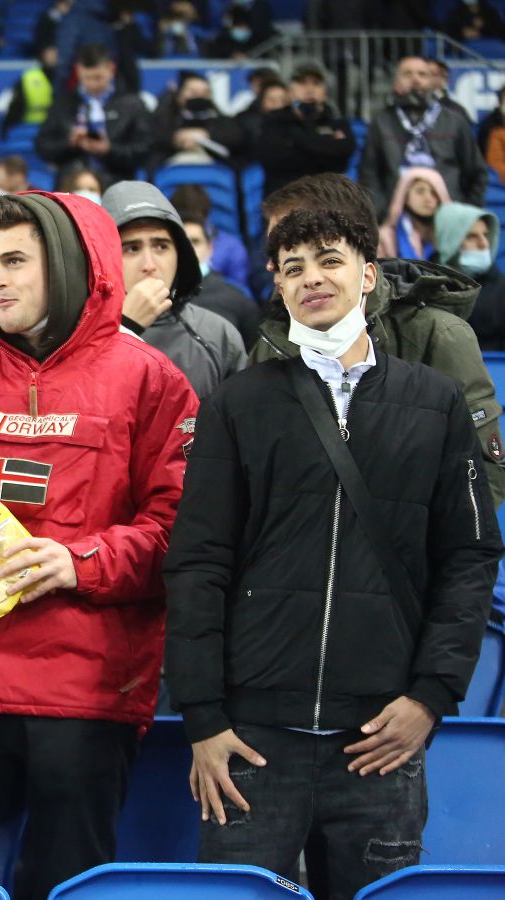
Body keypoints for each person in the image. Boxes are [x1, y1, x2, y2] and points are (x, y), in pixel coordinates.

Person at [164, 205, 501, 900]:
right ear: (278, 288)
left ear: (367, 274)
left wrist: (431, 697)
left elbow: (469, 558)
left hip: (381, 738)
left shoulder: (434, 404)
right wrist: (203, 718)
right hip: (252, 742)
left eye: (329, 259)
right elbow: (198, 562)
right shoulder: (237, 404)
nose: (312, 277)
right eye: (293, 268)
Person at [0, 190, 198, 900]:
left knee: (64, 889)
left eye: (16, 261)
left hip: (83, 694)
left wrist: (76, 562)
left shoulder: (151, 379)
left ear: (71, 265)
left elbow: (180, 533)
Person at [253, 173, 505, 508]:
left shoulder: (437, 335)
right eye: (276, 247)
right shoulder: (271, 341)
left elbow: (482, 476)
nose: (274, 260)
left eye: (297, 239)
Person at [105, 181, 246, 398]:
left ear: (180, 255)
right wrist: (126, 328)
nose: (149, 264)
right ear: (105, 258)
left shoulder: (218, 335)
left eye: (161, 246)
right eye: (132, 248)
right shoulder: (74, 338)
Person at [359, 56, 486, 219]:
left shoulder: (455, 121)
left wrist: (465, 215)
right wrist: (382, 213)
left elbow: (476, 173)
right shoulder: (381, 123)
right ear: (396, 83)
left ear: (432, 82)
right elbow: (369, 175)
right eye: (407, 74)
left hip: (448, 217)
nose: (415, 79)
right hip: (397, 219)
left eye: (422, 74)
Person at [35, 43, 151, 186]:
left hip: (118, 184)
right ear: (78, 71)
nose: (93, 84)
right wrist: (69, 143)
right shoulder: (62, 104)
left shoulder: (132, 104)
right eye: (87, 78)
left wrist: (110, 149)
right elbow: (43, 146)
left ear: (111, 69)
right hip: (71, 184)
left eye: (98, 77)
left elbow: (146, 149)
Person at [257, 62, 355, 198]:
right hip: (285, 199)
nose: (309, 89)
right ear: (290, 91)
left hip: (326, 199)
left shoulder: (337, 123)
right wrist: (326, 144)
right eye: (302, 83)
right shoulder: (274, 120)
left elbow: (343, 157)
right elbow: (277, 160)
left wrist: (297, 140)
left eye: (316, 83)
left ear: (325, 92)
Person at [182, 212, 260, 349]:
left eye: (195, 241)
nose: (188, 249)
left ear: (210, 248)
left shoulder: (238, 300)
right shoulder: (153, 297)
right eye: (181, 242)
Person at [436, 202, 505, 352]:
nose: (484, 243)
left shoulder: (501, 288)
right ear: (450, 241)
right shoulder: (425, 285)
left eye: (486, 235)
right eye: (471, 236)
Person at [151, 71, 247, 169]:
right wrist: (177, 138)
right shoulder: (167, 118)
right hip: (170, 169)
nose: (199, 96)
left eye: (205, 93)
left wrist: (206, 134)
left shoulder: (221, 120)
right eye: (193, 92)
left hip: (214, 170)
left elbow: (237, 138)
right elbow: (152, 137)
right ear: (179, 95)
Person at [376, 167, 451, 261]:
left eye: (434, 193)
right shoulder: (385, 238)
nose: (428, 198)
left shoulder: (448, 239)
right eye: (420, 191)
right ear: (405, 197)